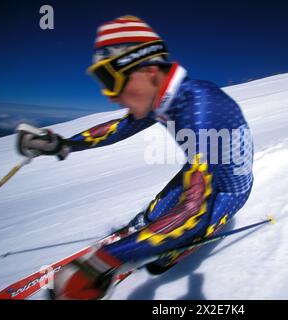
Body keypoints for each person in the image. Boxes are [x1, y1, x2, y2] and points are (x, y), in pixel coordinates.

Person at [17, 15, 254, 300]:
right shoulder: (165, 96)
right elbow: (120, 127)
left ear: (149, 70)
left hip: (228, 190)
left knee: (165, 253)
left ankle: (172, 250)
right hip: (201, 171)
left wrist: (102, 261)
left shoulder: (200, 111)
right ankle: (149, 231)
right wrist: (62, 144)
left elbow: (194, 213)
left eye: (110, 79)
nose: (110, 96)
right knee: (154, 215)